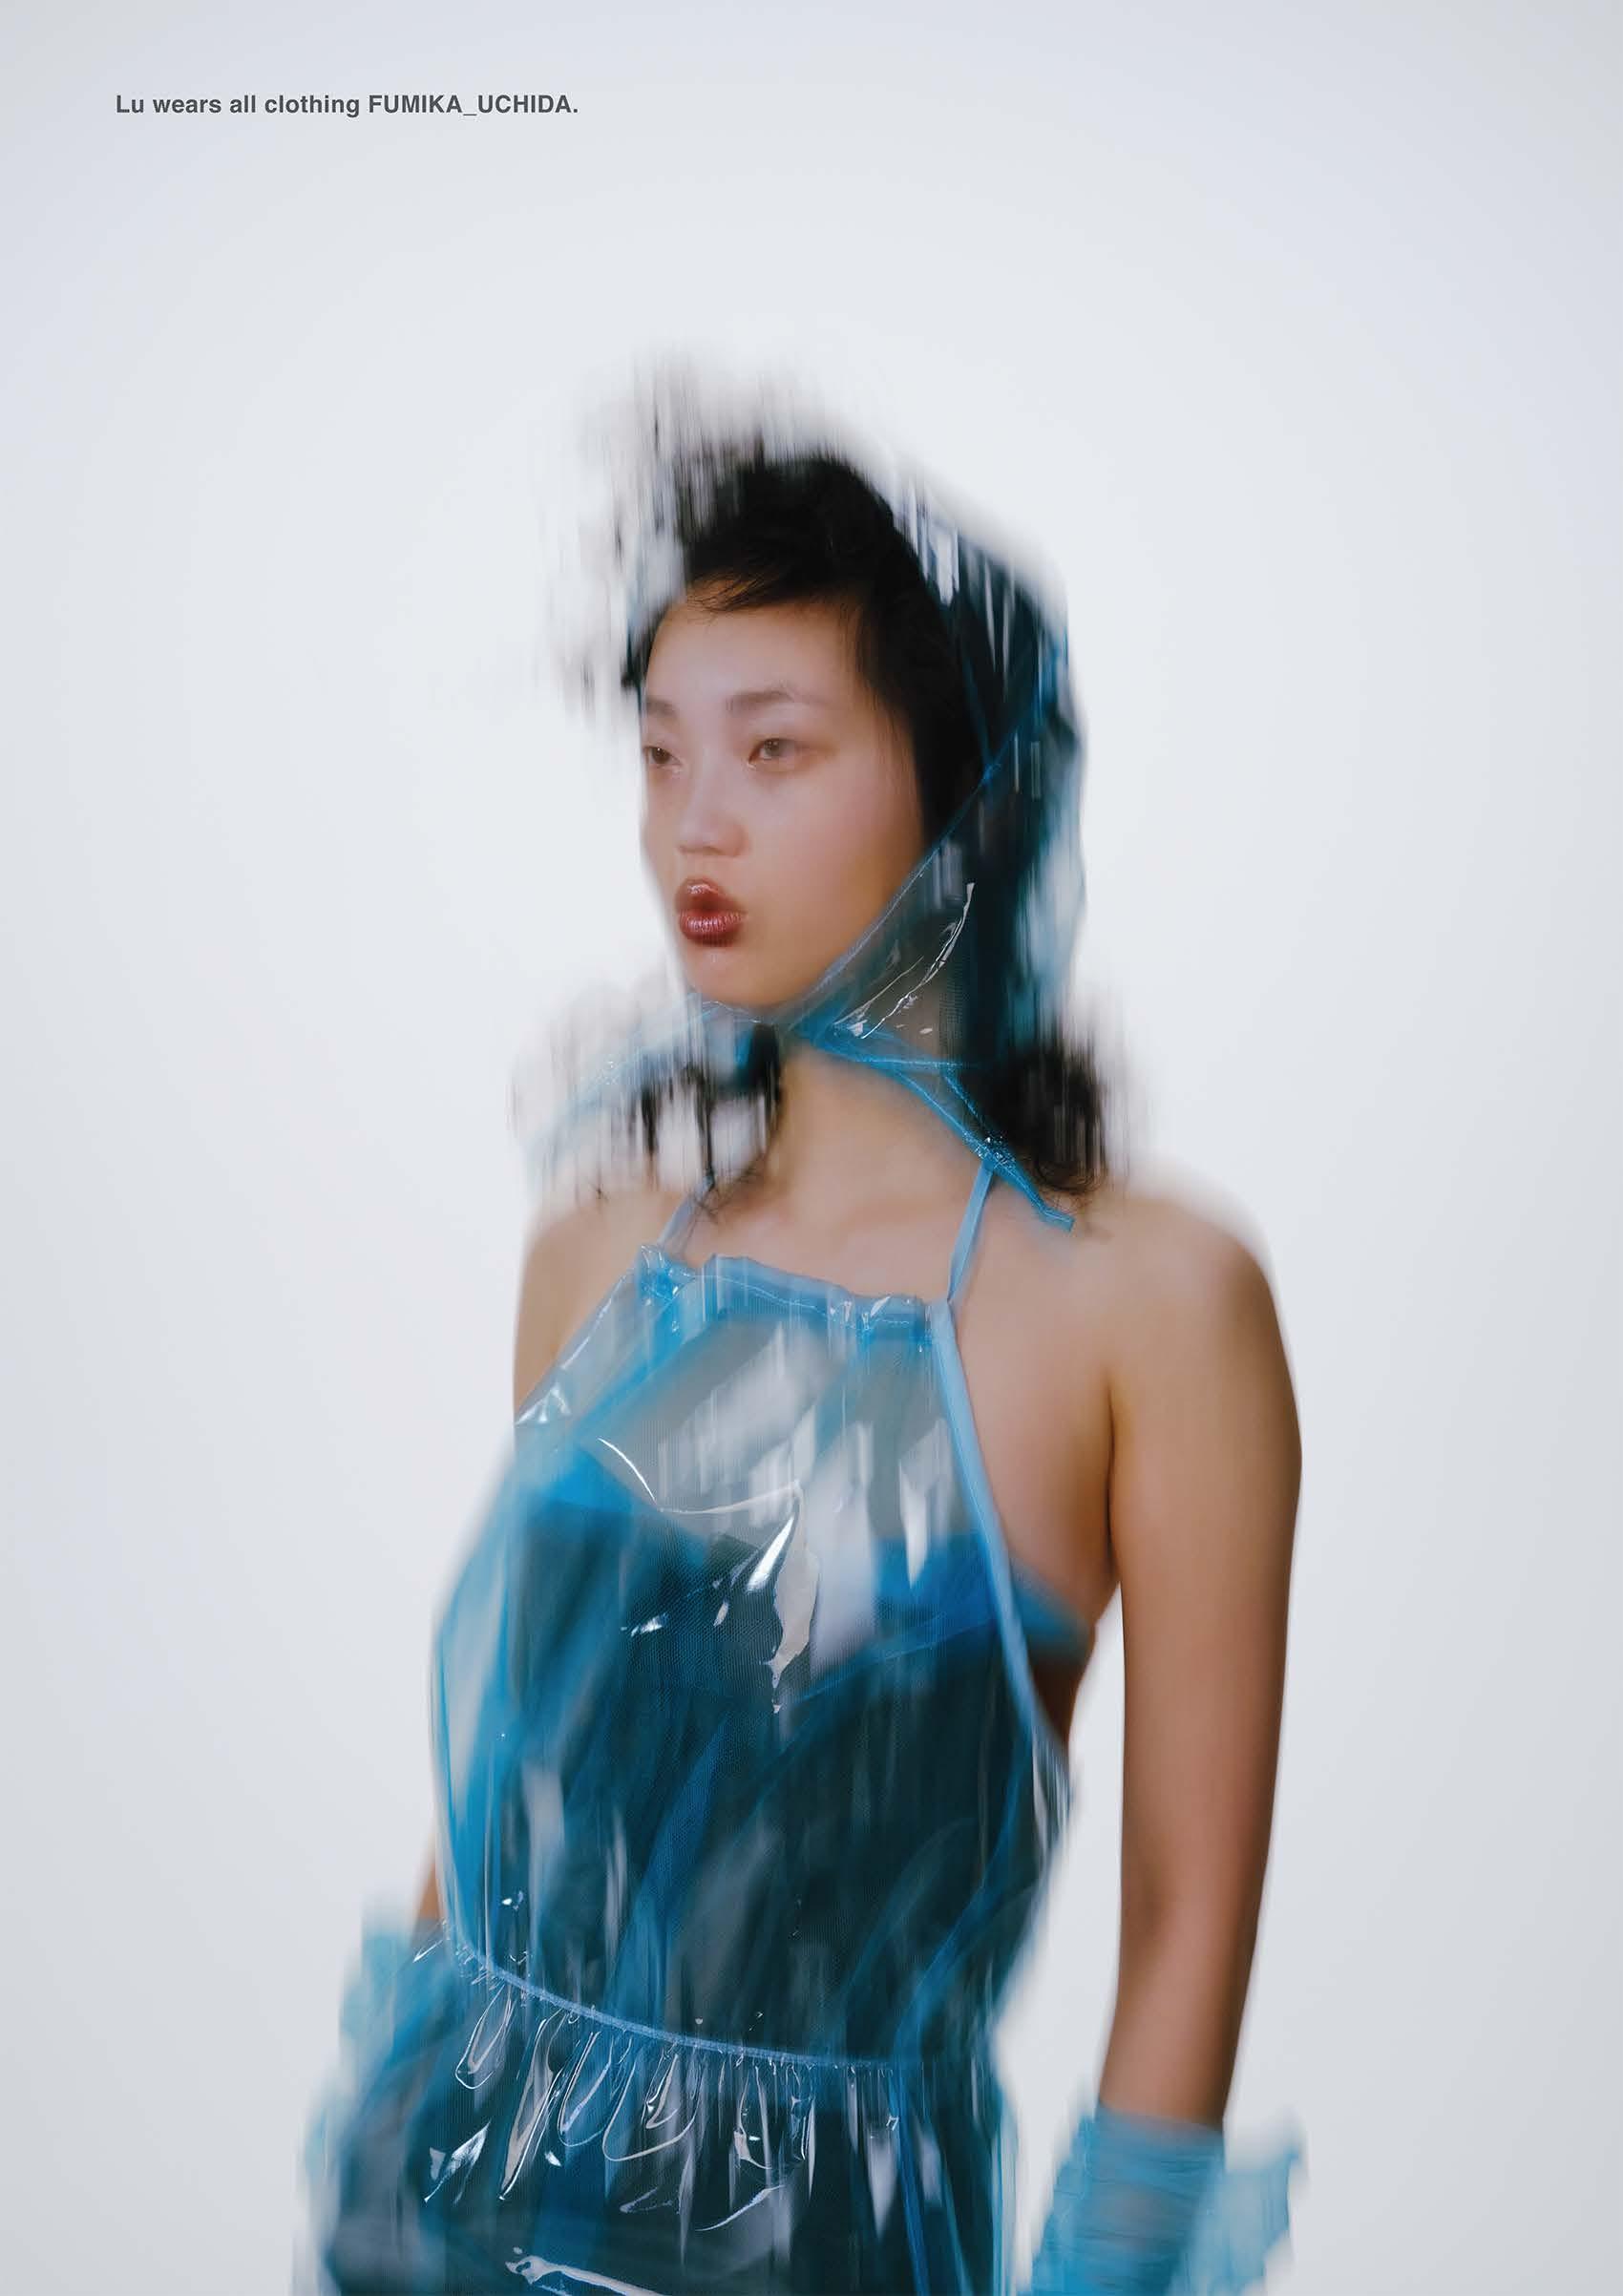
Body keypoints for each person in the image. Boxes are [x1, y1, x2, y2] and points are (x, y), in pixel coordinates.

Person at [298, 403, 1306, 2294]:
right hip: (441, 2209)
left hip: (827, 2247)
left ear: (967, 788)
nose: (696, 821)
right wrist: (366, 2152)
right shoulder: (605, 1249)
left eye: (774, 749)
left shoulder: (1148, 1304)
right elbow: (511, 1775)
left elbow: (1186, 1916)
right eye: (661, 750)